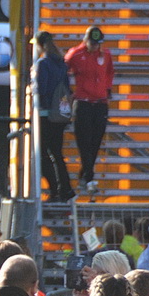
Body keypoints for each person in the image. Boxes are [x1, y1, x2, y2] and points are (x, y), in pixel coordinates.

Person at [64, 27, 113, 193]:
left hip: (100, 103)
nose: (95, 47)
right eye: (92, 43)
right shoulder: (75, 54)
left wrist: (107, 88)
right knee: (84, 142)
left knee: (95, 142)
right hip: (83, 102)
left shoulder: (105, 55)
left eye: (97, 44)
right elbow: (63, 72)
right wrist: (69, 92)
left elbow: (110, 72)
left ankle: (84, 175)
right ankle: (90, 178)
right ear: (86, 41)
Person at [32, 24, 73, 200]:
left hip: (45, 114)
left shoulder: (43, 63)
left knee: (41, 154)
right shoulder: (61, 63)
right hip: (60, 115)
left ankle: (54, 189)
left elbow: (42, 89)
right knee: (57, 153)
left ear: (39, 45)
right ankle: (65, 188)